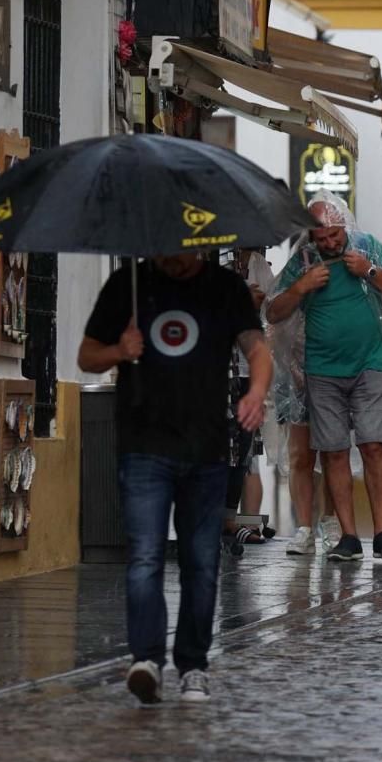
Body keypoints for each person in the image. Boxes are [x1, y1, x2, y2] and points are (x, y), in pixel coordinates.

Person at [78, 252, 271, 705]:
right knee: (144, 556)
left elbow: (257, 349)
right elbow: (87, 355)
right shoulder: (128, 285)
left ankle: (193, 666)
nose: (176, 260)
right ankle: (145, 659)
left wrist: (257, 393)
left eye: (185, 250)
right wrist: (118, 352)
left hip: (205, 449)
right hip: (144, 445)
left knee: (201, 564)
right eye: (166, 249)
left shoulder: (224, 288)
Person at [267, 191, 382, 562]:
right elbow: (273, 312)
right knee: (332, 451)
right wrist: (301, 287)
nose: (329, 243)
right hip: (321, 370)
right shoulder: (303, 259)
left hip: (370, 364)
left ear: (344, 226)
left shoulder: (366, 247)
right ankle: (348, 536)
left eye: (334, 235)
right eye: (322, 238)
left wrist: (369, 270)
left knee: (374, 446)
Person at [269, 232, 340, 557]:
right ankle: (304, 527)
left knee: (332, 452)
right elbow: (275, 323)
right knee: (300, 455)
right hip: (295, 378)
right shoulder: (292, 283)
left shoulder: (334, 278)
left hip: (330, 373)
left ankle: (331, 521)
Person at [223, 247, 277, 555]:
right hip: (217, 367)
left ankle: (232, 518)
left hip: (246, 370)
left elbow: (272, 312)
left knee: (243, 450)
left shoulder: (258, 268)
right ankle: (220, 518)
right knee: (222, 449)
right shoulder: (215, 270)